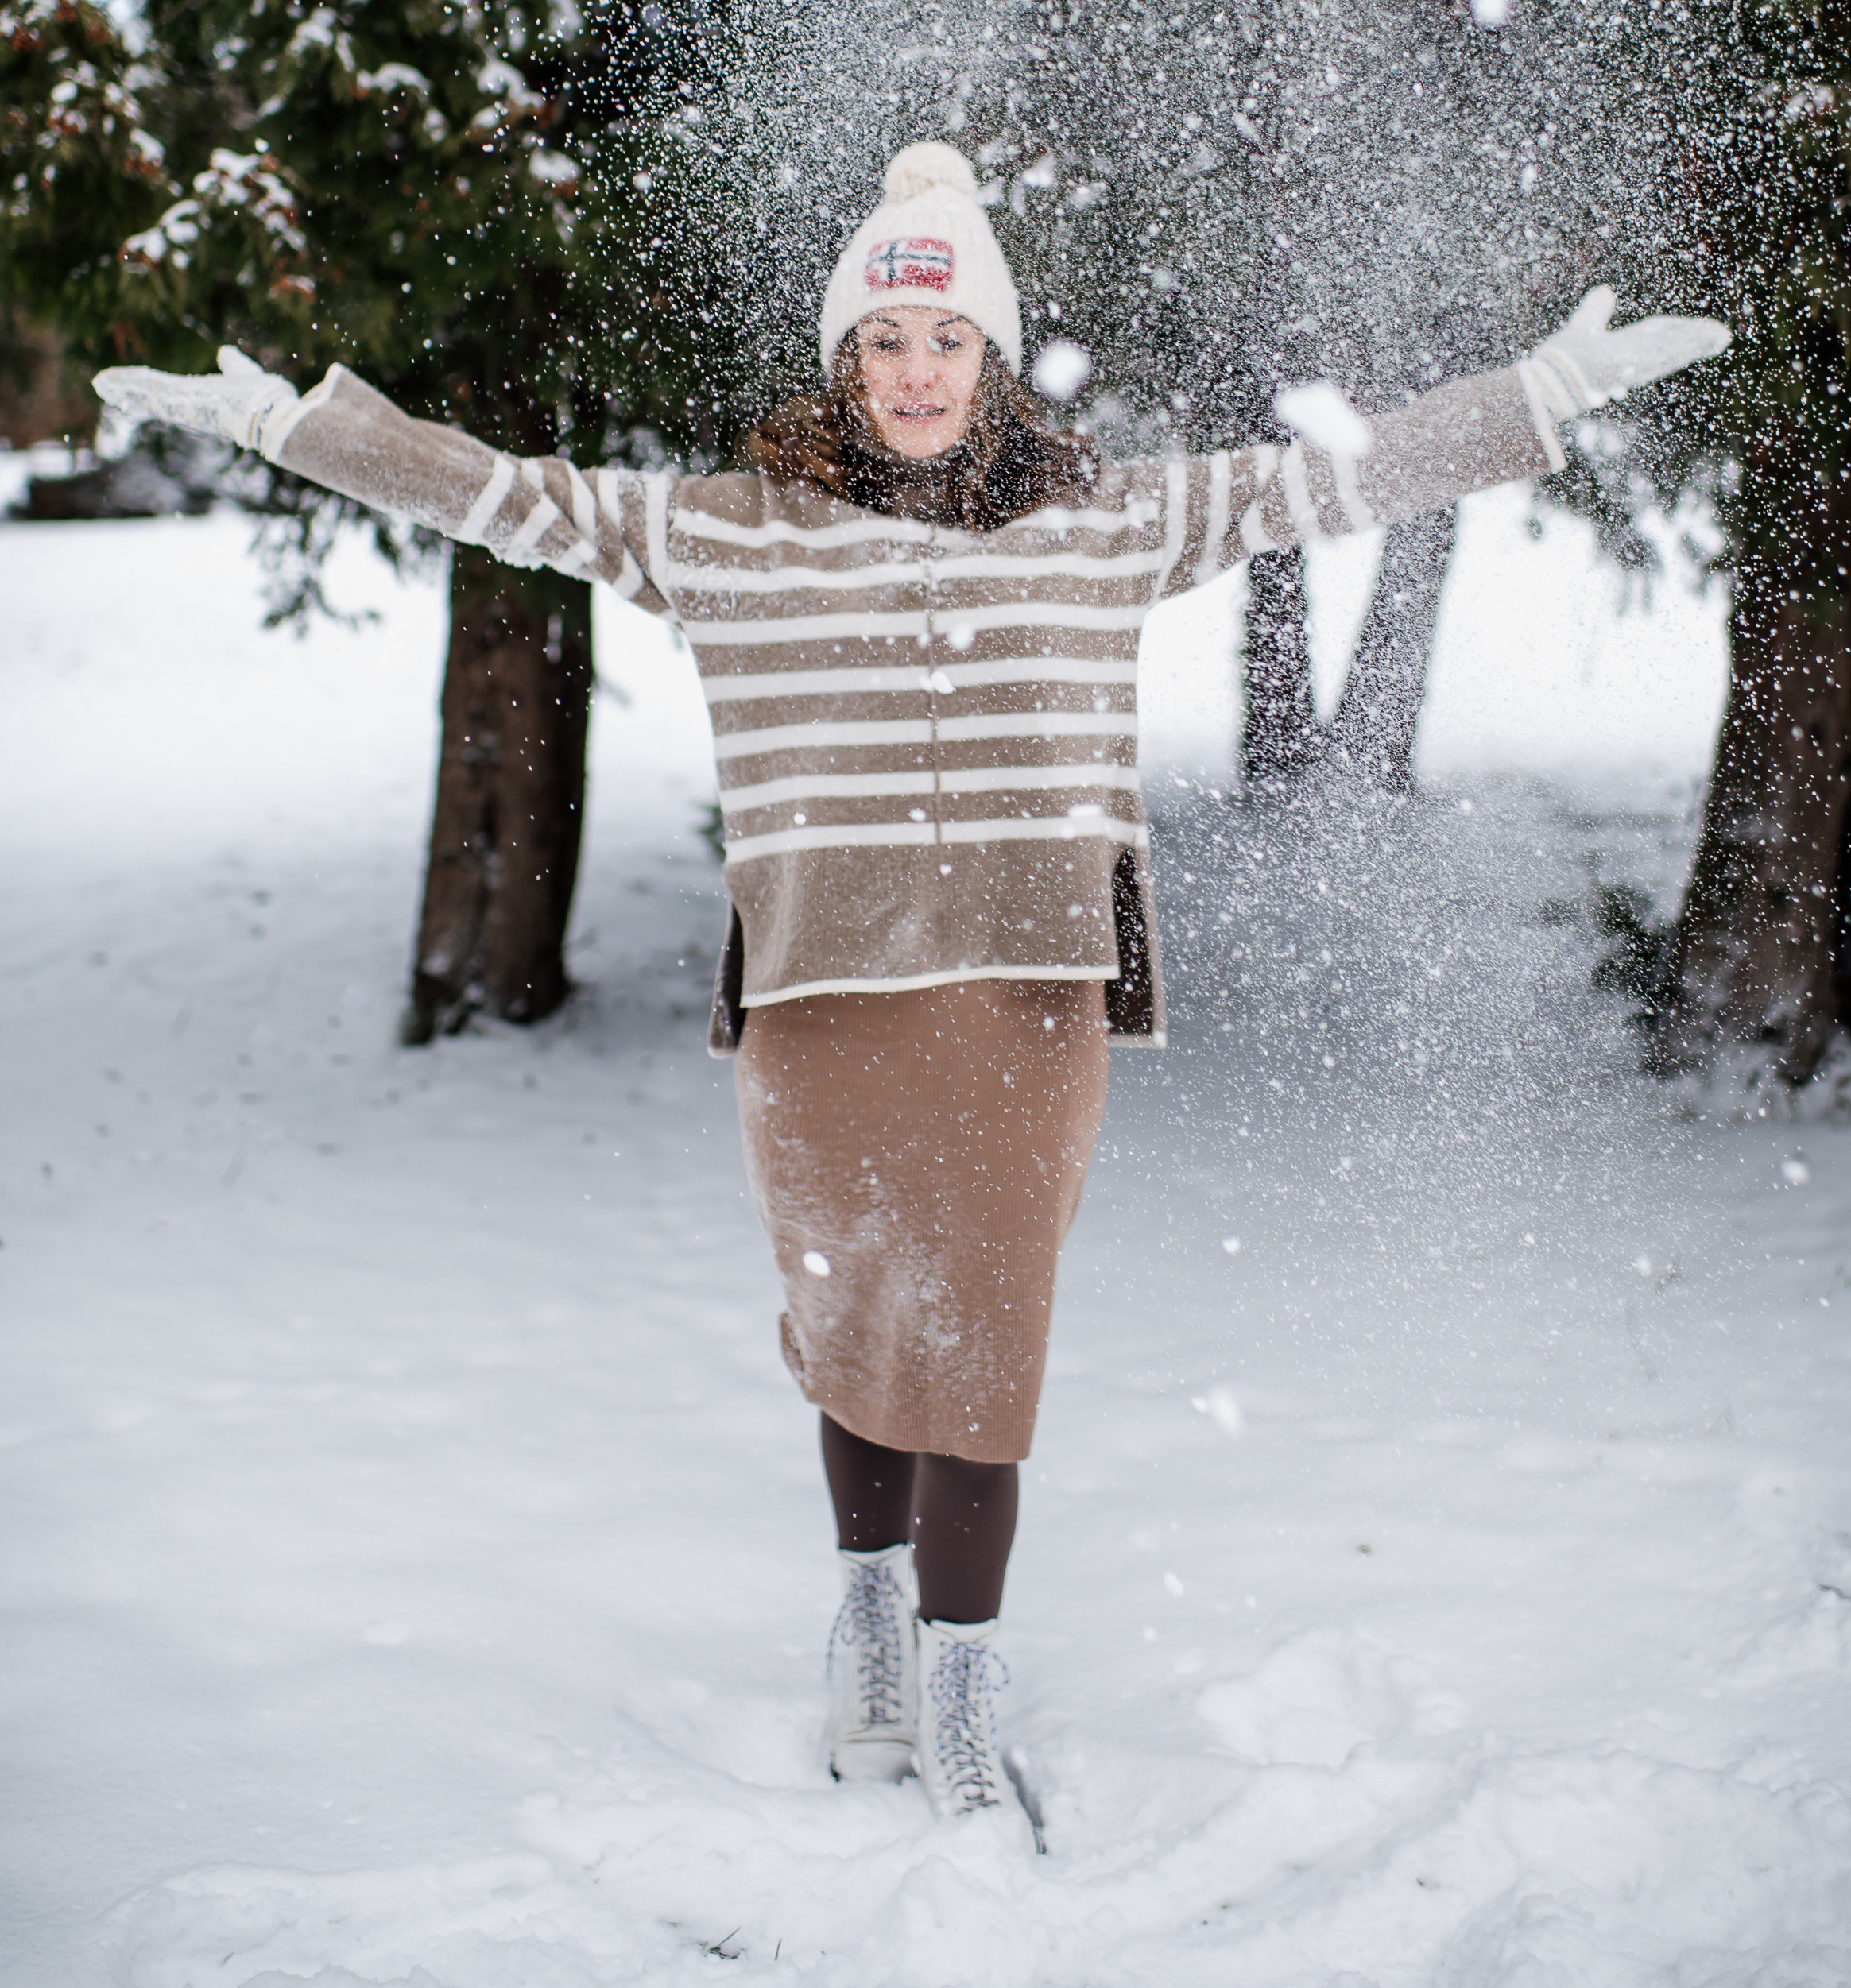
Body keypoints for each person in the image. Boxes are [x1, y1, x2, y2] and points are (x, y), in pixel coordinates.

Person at [96, 141, 1728, 1835]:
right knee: (860, 1325)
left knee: (987, 1350)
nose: (915, 370)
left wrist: (1538, 393)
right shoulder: (736, 531)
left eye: (945, 339)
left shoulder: (1100, 521)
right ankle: (867, 1619)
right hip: (821, 1009)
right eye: (883, 341)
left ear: (992, 355)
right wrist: (300, 428)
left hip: (1025, 1013)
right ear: (844, 359)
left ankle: (959, 1680)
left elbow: (1323, 483)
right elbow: (516, 495)